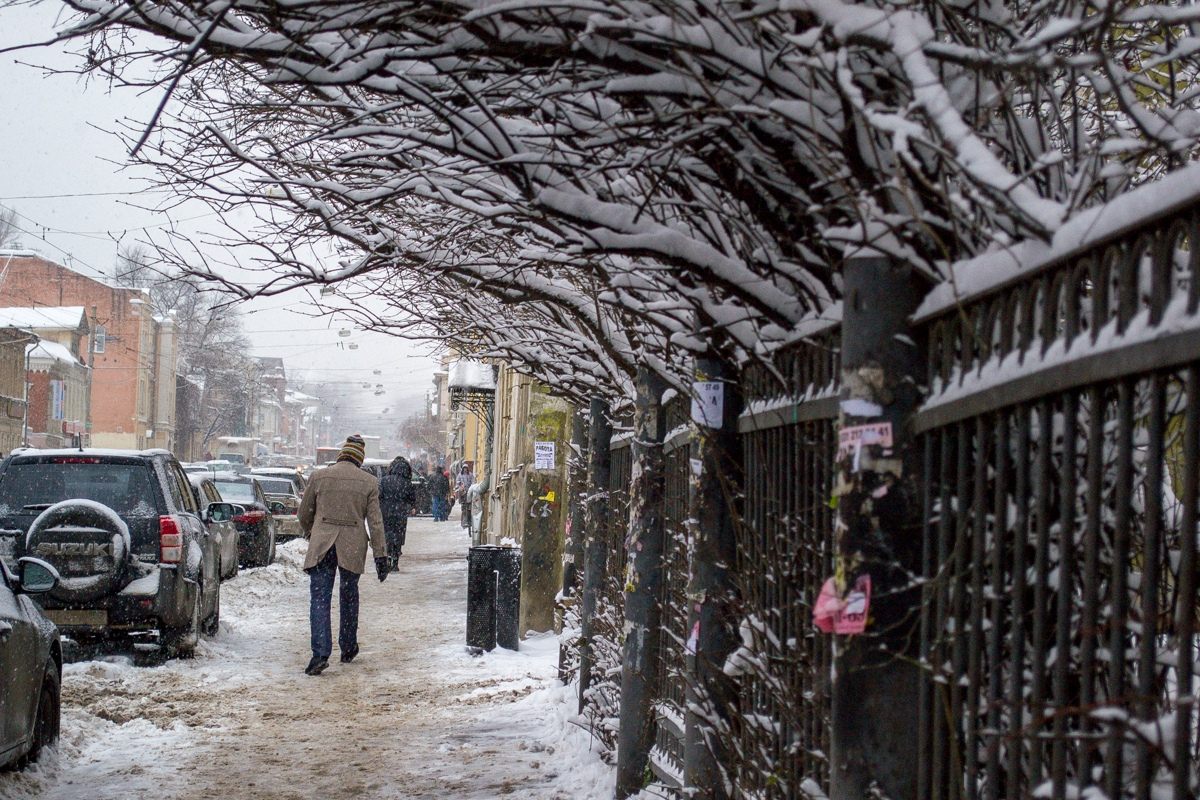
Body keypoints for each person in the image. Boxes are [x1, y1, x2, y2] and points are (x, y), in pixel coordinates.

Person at [297, 434, 389, 676]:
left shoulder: (318, 477)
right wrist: (381, 555)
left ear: (341, 455)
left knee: (320, 598)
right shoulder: (368, 482)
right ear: (360, 459)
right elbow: (375, 522)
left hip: (322, 545)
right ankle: (348, 647)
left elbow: (303, 513)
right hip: (352, 545)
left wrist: (314, 531)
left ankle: (320, 653)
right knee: (349, 595)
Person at [379, 456, 415, 571]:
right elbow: (411, 498)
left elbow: (379, 496)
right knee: (398, 536)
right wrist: (411, 506)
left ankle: (387, 557)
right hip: (400, 513)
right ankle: (395, 561)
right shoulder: (407, 483)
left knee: (387, 535)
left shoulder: (384, 480)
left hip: (386, 512)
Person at [456, 463, 474, 530]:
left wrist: (471, 487)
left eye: (466, 468)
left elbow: (473, 481)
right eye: (464, 468)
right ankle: (464, 521)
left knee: (469, 507)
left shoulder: (470, 475)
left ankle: (469, 521)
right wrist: (460, 484)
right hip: (463, 492)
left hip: (469, 492)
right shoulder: (460, 475)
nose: (465, 469)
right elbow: (457, 481)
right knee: (464, 508)